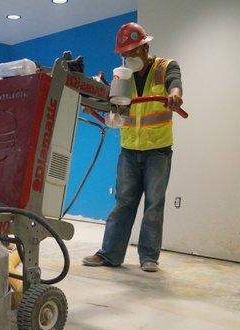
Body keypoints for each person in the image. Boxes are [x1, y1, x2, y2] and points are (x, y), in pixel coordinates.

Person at [82, 22, 183, 272]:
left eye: (133, 52)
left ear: (145, 47)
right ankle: (110, 254)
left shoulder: (165, 67)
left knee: (154, 203)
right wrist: (96, 105)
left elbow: (174, 81)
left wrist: (175, 94)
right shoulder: (121, 76)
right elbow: (114, 106)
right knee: (123, 202)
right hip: (129, 149)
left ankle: (149, 257)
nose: (128, 58)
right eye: (125, 54)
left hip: (158, 150)